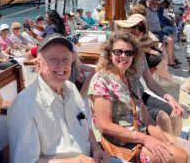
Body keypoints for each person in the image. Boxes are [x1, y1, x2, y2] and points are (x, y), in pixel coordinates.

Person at [89, 31, 190, 162]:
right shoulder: (102, 81)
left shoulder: (130, 78)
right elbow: (105, 125)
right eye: (118, 51)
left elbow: (147, 119)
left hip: (140, 133)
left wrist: (166, 143)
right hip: (121, 142)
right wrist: (146, 139)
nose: (123, 56)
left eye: (129, 53)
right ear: (109, 53)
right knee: (180, 156)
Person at [8, 34, 113, 163]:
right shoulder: (24, 105)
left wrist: (96, 150)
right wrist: (74, 161)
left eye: (66, 59)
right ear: (38, 65)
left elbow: (86, 127)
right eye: (53, 59)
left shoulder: (71, 88)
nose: (61, 65)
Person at [115, 14, 184, 136]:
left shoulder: (140, 54)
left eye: (141, 28)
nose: (137, 30)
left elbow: (150, 82)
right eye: (133, 26)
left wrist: (169, 97)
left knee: (176, 112)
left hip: (141, 95)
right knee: (163, 118)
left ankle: (174, 147)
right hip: (126, 100)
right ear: (126, 28)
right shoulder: (117, 53)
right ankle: (170, 150)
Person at [146, 0, 178, 67]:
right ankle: (170, 61)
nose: (155, 5)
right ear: (149, 4)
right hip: (153, 33)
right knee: (169, 40)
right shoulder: (147, 12)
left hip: (158, 31)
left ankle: (173, 57)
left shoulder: (154, 11)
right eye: (153, 3)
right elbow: (145, 24)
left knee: (172, 36)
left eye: (156, 4)